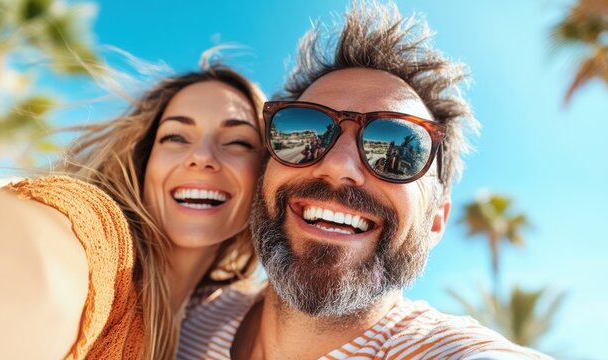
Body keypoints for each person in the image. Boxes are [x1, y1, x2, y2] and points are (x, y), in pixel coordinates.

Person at [177, 3, 552, 360]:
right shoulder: (178, 318)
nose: (339, 165)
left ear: (436, 219)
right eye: (309, 130)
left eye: (393, 146)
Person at [0, 61, 266, 359]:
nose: (201, 157)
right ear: (145, 160)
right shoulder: (98, 231)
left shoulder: (226, 317)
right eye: (175, 137)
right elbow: (37, 267)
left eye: (238, 142)